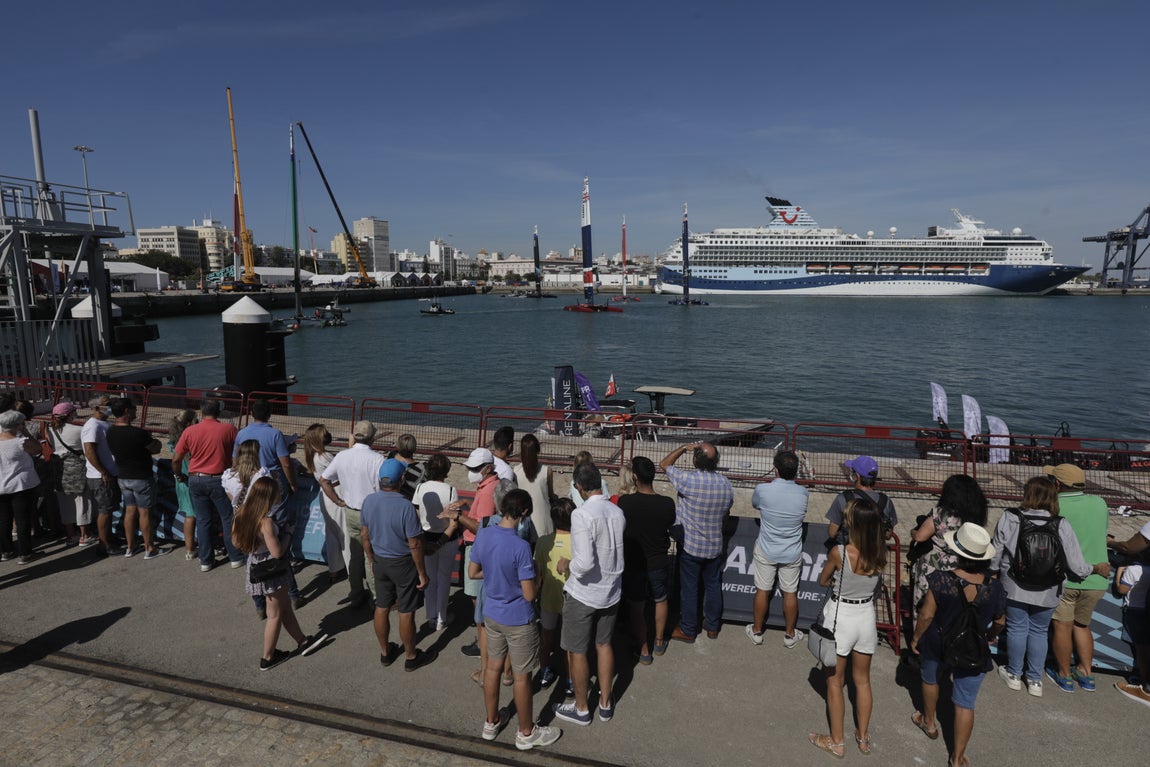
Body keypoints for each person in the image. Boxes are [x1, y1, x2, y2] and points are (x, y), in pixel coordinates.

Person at [990, 475, 1110, 697]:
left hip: (1015, 584)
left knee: (1017, 627)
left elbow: (996, 551)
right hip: (1049, 587)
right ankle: (1035, 680)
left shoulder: (1010, 517)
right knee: (1039, 630)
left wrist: (993, 571)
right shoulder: (1060, 523)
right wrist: (1094, 569)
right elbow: (1076, 563)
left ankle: (1015, 674)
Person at [466, 488, 562, 750]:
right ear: (525, 513)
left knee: (493, 668)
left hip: (492, 614)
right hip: (518, 618)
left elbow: (473, 572)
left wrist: (496, 577)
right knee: (521, 676)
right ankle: (526, 732)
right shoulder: (520, 547)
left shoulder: (484, 535)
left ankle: (491, 721)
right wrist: (539, 578)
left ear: (501, 509)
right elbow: (530, 595)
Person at [910, 523, 1006, 767]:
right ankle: (957, 756)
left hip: (938, 640)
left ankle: (929, 722)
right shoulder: (994, 588)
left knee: (930, 678)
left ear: (957, 552)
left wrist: (915, 638)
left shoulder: (941, 580)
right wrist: (992, 635)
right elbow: (1000, 621)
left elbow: (926, 615)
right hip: (973, 646)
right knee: (965, 702)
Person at [808, 496, 886, 759]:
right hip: (866, 618)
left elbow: (823, 580)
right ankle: (863, 738)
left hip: (841, 618)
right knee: (862, 681)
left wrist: (834, 582)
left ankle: (836, 741)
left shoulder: (840, 553)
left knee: (835, 681)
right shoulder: (879, 553)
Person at [552, 461, 625, 726]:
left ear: (580, 488)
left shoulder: (581, 515)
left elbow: (583, 564)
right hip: (611, 591)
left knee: (578, 650)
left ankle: (582, 708)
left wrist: (565, 564)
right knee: (604, 645)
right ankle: (605, 702)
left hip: (584, 594)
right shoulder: (617, 512)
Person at [230, 476, 328, 671]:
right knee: (274, 614)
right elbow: (277, 552)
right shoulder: (265, 522)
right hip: (271, 568)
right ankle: (267, 657)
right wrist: (289, 533)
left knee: (284, 608)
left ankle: (302, 641)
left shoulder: (241, 514)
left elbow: (235, 542)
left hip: (255, 564)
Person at [360, 458, 437, 671]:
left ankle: (386, 652)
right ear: (401, 479)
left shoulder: (369, 501)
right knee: (406, 610)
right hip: (403, 563)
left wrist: (370, 558)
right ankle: (411, 656)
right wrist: (422, 572)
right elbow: (414, 543)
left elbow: (364, 534)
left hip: (380, 560)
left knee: (382, 606)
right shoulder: (405, 507)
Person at [1043, 463, 1111, 693]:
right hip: (1097, 579)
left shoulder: (1056, 505)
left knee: (1062, 626)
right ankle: (1086, 673)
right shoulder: (1100, 503)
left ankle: (1064, 674)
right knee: (1082, 626)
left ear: (1058, 484)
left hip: (1066, 578)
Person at [660, 441, 733, 642]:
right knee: (712, 586)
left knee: (689, 589)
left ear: (695, 460)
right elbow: (726, 514)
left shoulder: (688, 480)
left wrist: (684, 448)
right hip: (715, 545)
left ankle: (688, 629)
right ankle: (712, 626)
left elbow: (664, 464)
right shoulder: (726, 484)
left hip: (691, 546)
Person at [319, 420, 385, 608]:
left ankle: (356, 593)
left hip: (350, 511)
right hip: (371, 514)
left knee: (355, 555)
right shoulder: (377, 459)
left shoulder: (342, 456)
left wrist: (338, 501)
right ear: (372, 437)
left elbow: (324, 480)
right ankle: (375, 597)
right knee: (371, 556)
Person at [747, 450, 809, 649]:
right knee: (790, 592)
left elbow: (755, 504)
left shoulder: (763, 490)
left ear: (775, 469)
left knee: (762, 590)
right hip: (791, 551)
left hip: (766, 549)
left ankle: (757, 631)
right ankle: (790, 634)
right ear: (796, 471)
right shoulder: (803, 492)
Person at [617, 456, 677, 662]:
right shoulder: (666, 504)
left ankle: (644, 649)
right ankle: (659, 641)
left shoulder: (625, 503)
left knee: (637, 605)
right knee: (660, 599)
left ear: (634, 477)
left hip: (634, 561)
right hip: (658, 560)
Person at [172, 398, 241, 572]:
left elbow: (176, 459)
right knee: (227, 518)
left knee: (203, 520)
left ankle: (205, 560)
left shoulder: (190, 431)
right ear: (219, 412)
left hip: (196, 478)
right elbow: (239, 454)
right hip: (219, 478)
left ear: (202, 412)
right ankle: (235, 556)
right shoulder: (229, 429)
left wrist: (179, 474)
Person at [446, 447, 501, 660]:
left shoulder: (487, 491)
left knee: (479, 600)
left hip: (477, 547)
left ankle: (483, 643)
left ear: (487, 468)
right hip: (483, 548)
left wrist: (458, 516)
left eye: (476, 468)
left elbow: (482, 527)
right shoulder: (489, 485)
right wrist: (469, 504)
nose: (472, 471)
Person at [911, 474, 989, 618]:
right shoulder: (976, 515)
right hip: (960, 566)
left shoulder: (941, 514)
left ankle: (920, 638)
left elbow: (920, 537)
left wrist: (913, 532)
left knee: (925, 608)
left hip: (933, 568)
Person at [105, 398, 165, 559]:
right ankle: (149, 547)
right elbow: (156, 448)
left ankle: (131, 547)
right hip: (141, 477)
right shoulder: (138, 433)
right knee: (145, 512)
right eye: (133, 408)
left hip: (123, 476)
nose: (135, 410)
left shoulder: (110, 431)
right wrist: (153, 439)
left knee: (130, 511)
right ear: (126, 411)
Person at [412, 452, 460, 631]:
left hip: (426, 538)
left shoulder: (419, 488)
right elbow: (454, 523)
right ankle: (442, 617)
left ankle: (431, 616)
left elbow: (416, 518)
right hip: (446, 538)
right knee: (444, 578)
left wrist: (425, 541)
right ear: (446, 470)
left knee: (428, 578)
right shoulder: (450, 490)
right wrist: (440, 543)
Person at [534, 498, 575, 688]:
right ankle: (570, 680)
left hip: (548, 599)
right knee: (570, 644)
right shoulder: (577, 543)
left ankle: (544, 671)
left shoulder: (543, 542)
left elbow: (539, 573)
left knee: (546, 637)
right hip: (571, 600)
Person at [301, 423, 345, 583]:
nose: (328, 436)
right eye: (324, 434)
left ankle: (334, 569)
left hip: (324, 495)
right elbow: (342, 470)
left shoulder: (312, 456)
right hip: (335, 492)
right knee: (344, 533)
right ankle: (350, 566)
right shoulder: (325, 456)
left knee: (332, 534)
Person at [46, 401, 94, 547]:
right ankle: (84, 535)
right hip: (76, 469)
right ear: (69, 414)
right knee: (82, 501)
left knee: (65, 503)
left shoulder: (50, 430)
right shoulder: (79, 430)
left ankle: (70, 535)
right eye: (74, 412)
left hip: (59, 470)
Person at [0, 410, 43, 564]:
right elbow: (38, 449)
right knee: (23, 520)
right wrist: (25, 431)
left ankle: (6, 551)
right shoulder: (20, 441)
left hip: (1, 486)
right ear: (17, 424)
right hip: (20, 486)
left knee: (4, 521)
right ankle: (25, 553)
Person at [81, 394, 122, 556]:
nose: (111, 406)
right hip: (101, 476)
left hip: (109, 472)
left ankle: (109, 537)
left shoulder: (103, 424)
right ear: (96, 408)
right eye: (108, 404)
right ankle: (104, 544)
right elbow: (89, 451)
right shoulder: (93, 426)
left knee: (109, 508)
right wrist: (103, 471)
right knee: (105, 510)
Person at [825, 455, 898, 544]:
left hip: (848, 552)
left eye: (852, 471)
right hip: (873, 554)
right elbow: (888, 535)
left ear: (857, 476)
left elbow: (832, 533)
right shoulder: (885, 501)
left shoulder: (843, 499)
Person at [1115, 549, 1150, 706]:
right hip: (1145, 609)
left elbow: (1122, 590)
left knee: (1138, 646)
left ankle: (1143, 682)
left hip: (1133, 611)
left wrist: (1119, 574)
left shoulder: (1133, 570)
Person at [168, 409, 198, 560]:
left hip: (181, 480)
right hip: (191, 478)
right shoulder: (192, 438)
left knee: (189, 514)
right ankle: (197, 546)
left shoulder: (173, 440)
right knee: (197, 516)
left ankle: (189, 548)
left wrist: (178, 475)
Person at [514, 433, 555, 538]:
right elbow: (551, 495)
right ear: (537, 451)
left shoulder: (515, 472)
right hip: (544, 524)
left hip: (523, 524)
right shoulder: (547, 471)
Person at [392, 433, 426, 501]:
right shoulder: (422, 469)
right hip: (412, 502)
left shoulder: (391, 463)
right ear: (414, 448)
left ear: (398, 447)